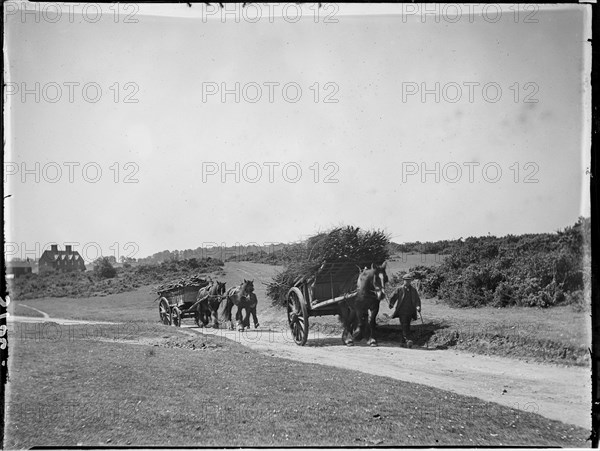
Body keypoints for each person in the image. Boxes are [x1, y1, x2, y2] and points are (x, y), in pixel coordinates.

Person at [388, 273, 421, 347]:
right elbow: (393, 296)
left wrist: (418, 307)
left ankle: (402, 342)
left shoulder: (413, 290)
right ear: (403, 281)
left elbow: (417, 300)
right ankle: (408, 340)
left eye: (409, 281)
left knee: (406, 325)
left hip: (410, 311)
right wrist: (391, 304)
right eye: (406, 280)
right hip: (401, 311)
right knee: (405, 324)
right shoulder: (399, 289)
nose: (408, 282)